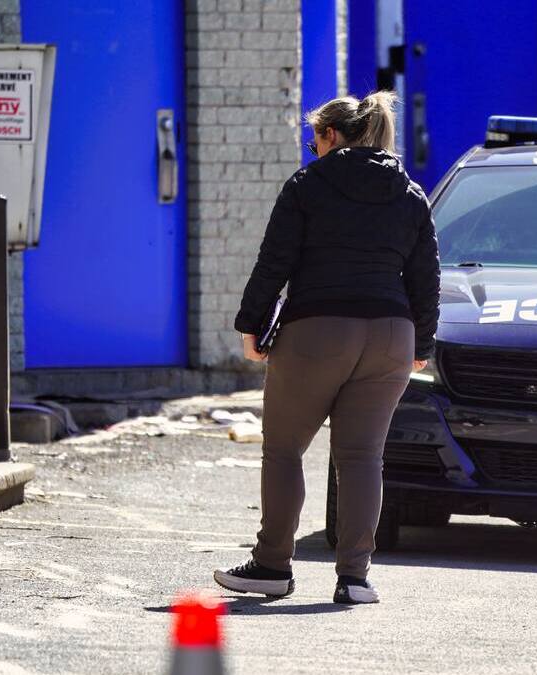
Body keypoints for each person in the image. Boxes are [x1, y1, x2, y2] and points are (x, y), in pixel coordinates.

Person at [214, 92, 440, 605]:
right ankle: (355, 579)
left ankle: (271, 567)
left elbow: (275, 262)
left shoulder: (308, 185)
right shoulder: (409, 192)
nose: (312, 149)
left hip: (318, 330)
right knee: (362, 457)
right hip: (390, 336)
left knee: (285, 450)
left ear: (332, 136)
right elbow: (426, 278)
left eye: (314, 138)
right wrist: (420, 342)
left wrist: (252, 325)